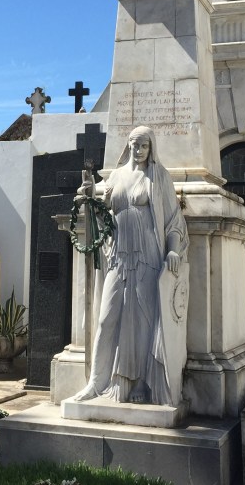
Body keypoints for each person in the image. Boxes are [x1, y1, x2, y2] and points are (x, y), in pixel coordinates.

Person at [73, 126, 188, 405]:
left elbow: (173, 221)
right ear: (128, 146)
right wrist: (90, 196)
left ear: (151, 148)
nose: (138, 151)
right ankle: (96, 382)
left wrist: (173, 250)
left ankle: (137, 382)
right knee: (106, 318)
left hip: (148, 255)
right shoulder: (116, 176)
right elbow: (103, 212)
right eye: (134, 145)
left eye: (144, 146)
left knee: (142, 320)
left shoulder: (158, 177)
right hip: (118, 255)